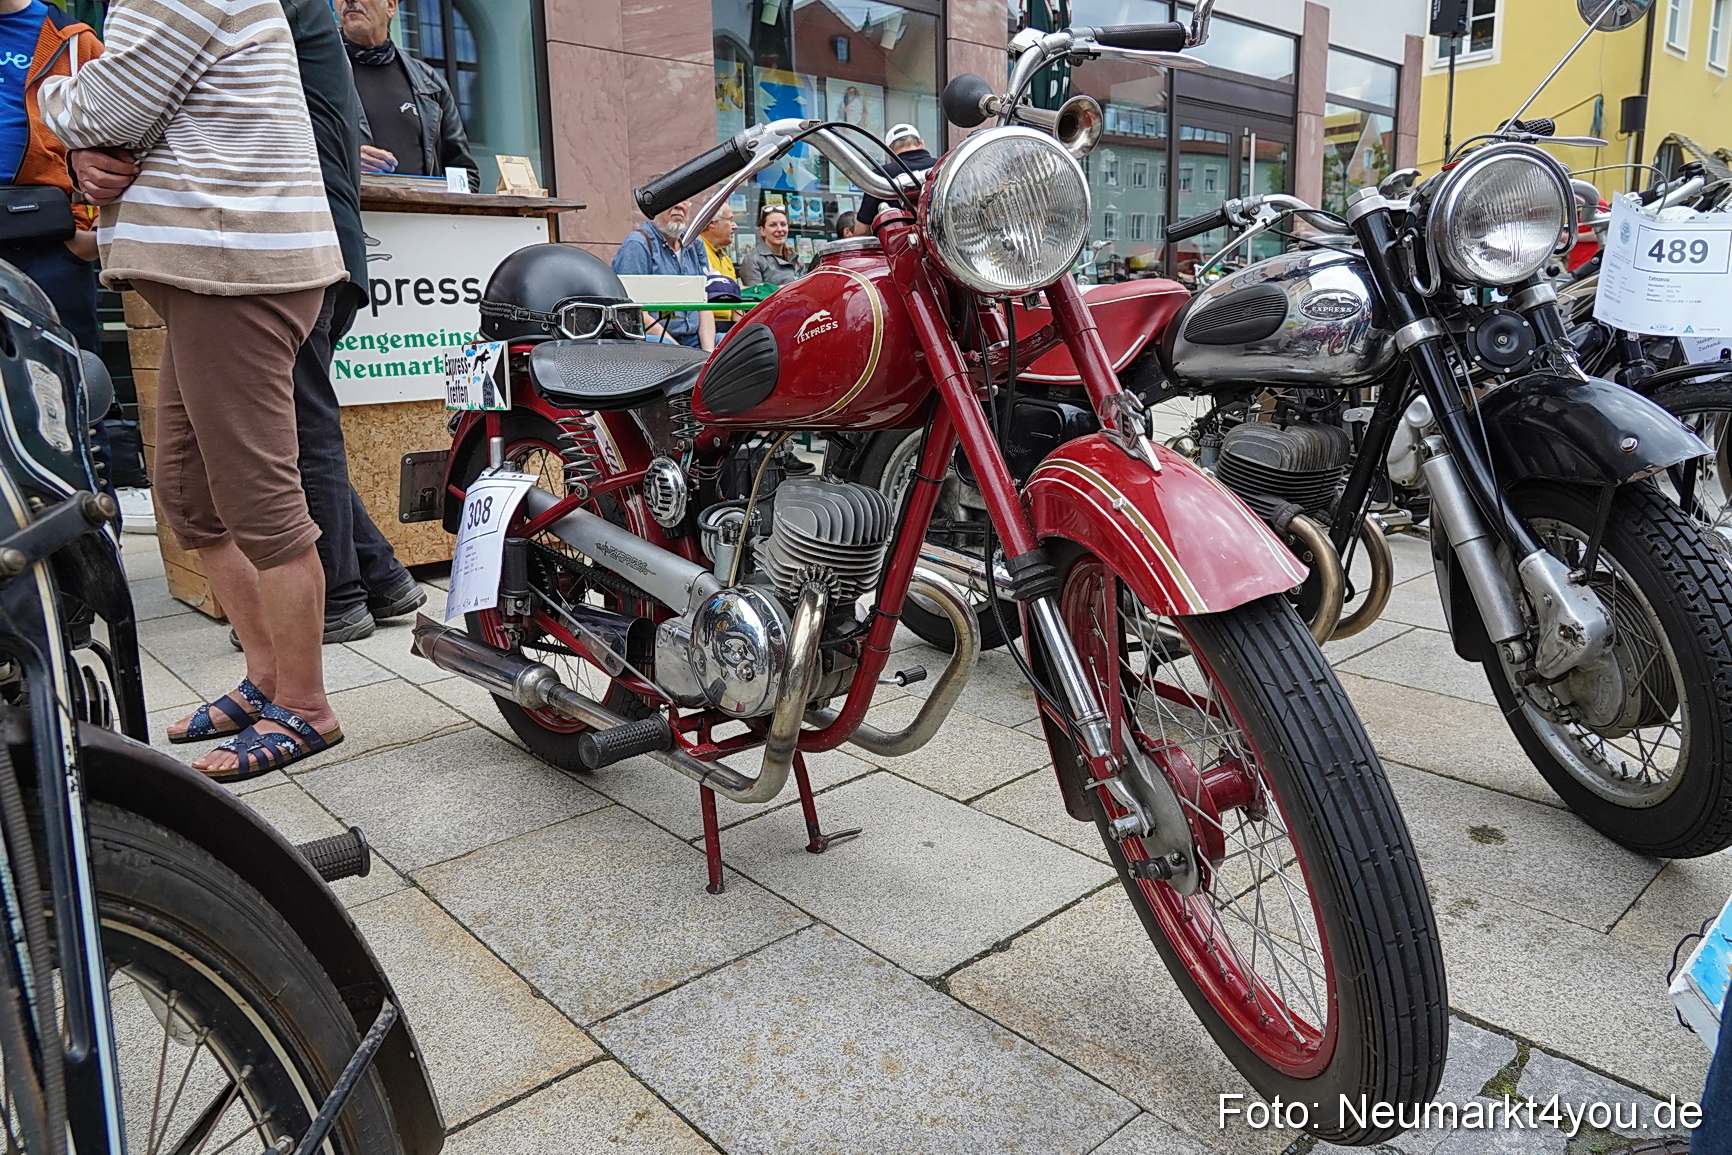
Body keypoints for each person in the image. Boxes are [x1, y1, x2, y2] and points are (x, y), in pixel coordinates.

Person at [43, 0, 348, 780]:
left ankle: (305, 705)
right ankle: (267, 677)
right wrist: (93, 148)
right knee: (187, 495)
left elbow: (108, 105)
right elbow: (134, 114)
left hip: (234, 268)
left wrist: (54, 95)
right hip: (213, 268)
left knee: (261, 502)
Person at [0, 1, 103, 353]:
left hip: (49, 240)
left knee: (63, 366)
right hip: (50, 232)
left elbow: (121, 142)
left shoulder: (74, 40)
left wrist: (89, 237)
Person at [338, 0, 477, 188]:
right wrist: (344, 162)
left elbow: (464, 175)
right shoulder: (312, 74)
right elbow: (295, 156)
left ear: (390, 5)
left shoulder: (430, 83)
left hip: (420, 207)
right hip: (345, 206)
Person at [612, 194, 716, 351]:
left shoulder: (695, 244)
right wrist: (682, 351)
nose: (679, 206)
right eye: (670, 199)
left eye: (684, 200)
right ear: (654, 206)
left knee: (733, 344)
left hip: (692, 338)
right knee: (667, 347)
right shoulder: (638, 244)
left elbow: (704, 304)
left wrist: (710, 355)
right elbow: (632, 312)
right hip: (653, 339)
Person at [857, 122, 936, 229]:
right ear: (922, 144)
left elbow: (862, 229)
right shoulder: (943, 165)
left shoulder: (880, 175)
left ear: (889, 151)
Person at [700, 203, 741, 333]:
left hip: (727, 326)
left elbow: (736, 305)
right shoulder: (696, 250)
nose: (735, 226)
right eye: (730, 220)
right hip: (706, 326)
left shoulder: (725, 258)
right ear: (712, 222)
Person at [740, 203, 799, 288]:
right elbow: (755, 293)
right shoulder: (753, 260)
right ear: (762, 231)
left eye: (783, 224)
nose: (779, 229)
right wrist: (780, 289)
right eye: (773, 225)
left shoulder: (795, 257)